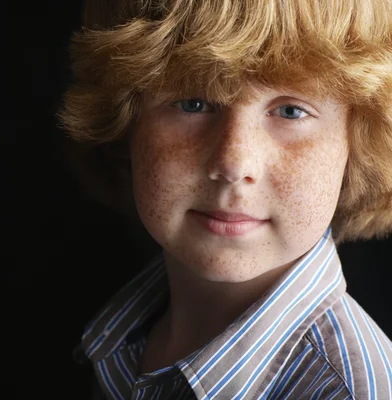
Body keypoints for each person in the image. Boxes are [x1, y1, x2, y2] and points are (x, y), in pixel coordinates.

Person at [57, 0, 392, 398]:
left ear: (358, 143)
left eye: (289, 110)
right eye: (193, 103)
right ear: (126, 123)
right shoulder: (124, 336)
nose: (234, 163)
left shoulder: (348, 390)